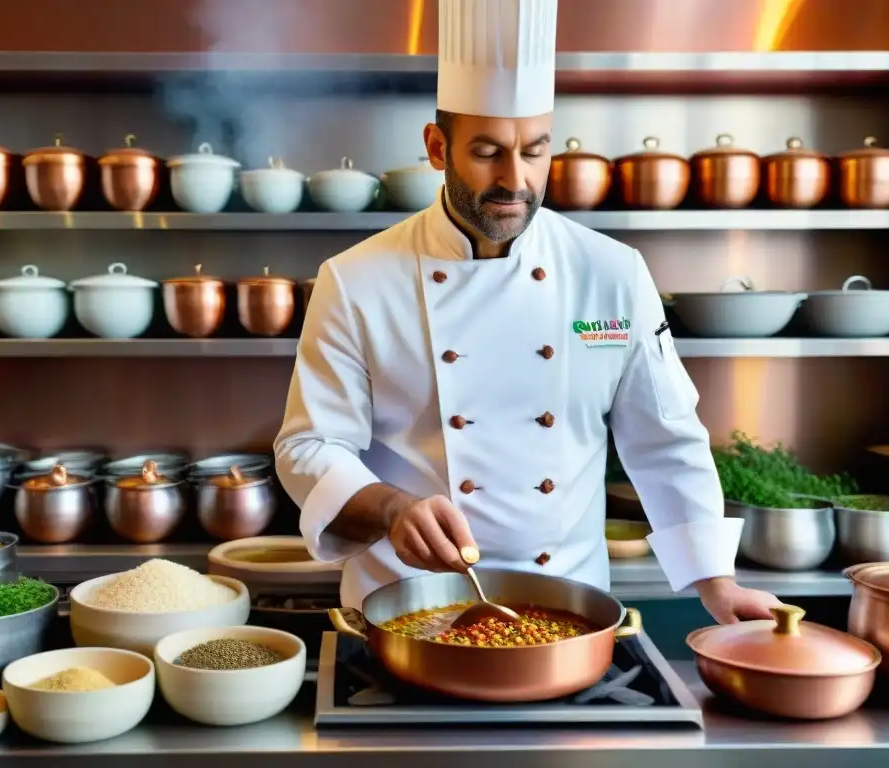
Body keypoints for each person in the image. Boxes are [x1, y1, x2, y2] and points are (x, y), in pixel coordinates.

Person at [274, 0, 782, 625]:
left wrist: (717, 583)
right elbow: (308, 445)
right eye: (487, 151)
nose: (514, 178)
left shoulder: (611, 273)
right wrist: (389, 508)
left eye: (535, 151)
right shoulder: (355, 280)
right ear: (437, 147)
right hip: (403, 606)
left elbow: (665, 437)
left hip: (568, 610)